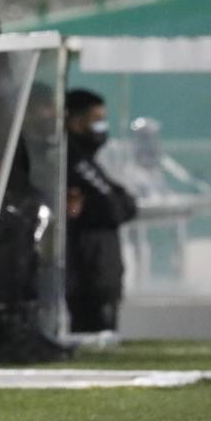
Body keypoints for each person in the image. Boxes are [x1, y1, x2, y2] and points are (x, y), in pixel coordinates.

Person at [64, 89, 136, 333]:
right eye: (96, 120)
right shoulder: (73, 159)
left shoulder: (87, 160)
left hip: (97, 269)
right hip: (87, 269)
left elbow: (123, 203)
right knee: (91, 327)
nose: (102, 128)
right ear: (75, 122)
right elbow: (113, 206)